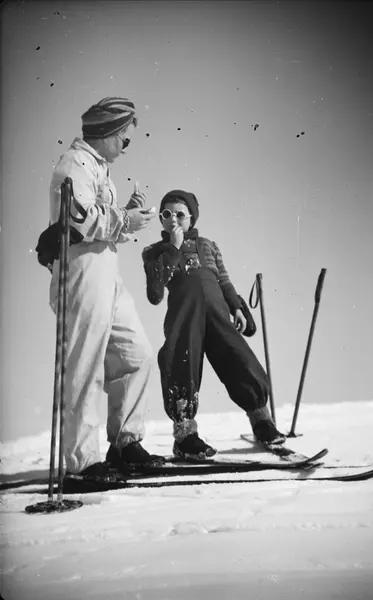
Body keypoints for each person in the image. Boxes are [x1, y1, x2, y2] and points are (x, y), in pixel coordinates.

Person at [46, 96, 165, 480]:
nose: (126, 145)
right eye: (124, 138)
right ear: (107, 133)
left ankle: (125, 443)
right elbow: (77, 219)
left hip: (107, 274)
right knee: (84, 364)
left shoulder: (97, 168)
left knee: (136, 354)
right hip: (81, 273)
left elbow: (101, 219)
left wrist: (126, 213)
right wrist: (124, 219)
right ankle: (81, 463)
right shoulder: (73, 165)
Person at [142, 189, 286, 460]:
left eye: (180, 214)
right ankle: (185, 436)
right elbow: (155, 293)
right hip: (184, 318)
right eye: (167, 214)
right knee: (181, 366)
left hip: (218, 314)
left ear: (192, 218)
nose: (173, 220)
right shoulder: (154, 252)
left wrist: (236, 307)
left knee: (239, 358)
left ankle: (262, 422)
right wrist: (173, 248)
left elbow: (223, 280)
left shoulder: (208, 246)